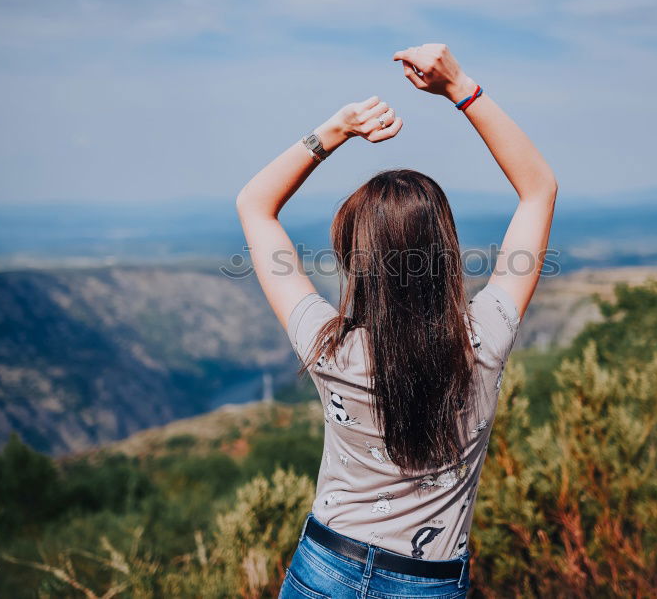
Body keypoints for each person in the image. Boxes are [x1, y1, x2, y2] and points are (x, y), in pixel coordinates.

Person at [236, 43, 557, 598]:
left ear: (355, 261)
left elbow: (254, 204)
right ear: (446, 253)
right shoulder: (484, 341)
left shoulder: (328, 347)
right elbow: (538, 191)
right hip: (426, 583)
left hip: (325, 570)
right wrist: (459, 86)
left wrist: (336, 130)